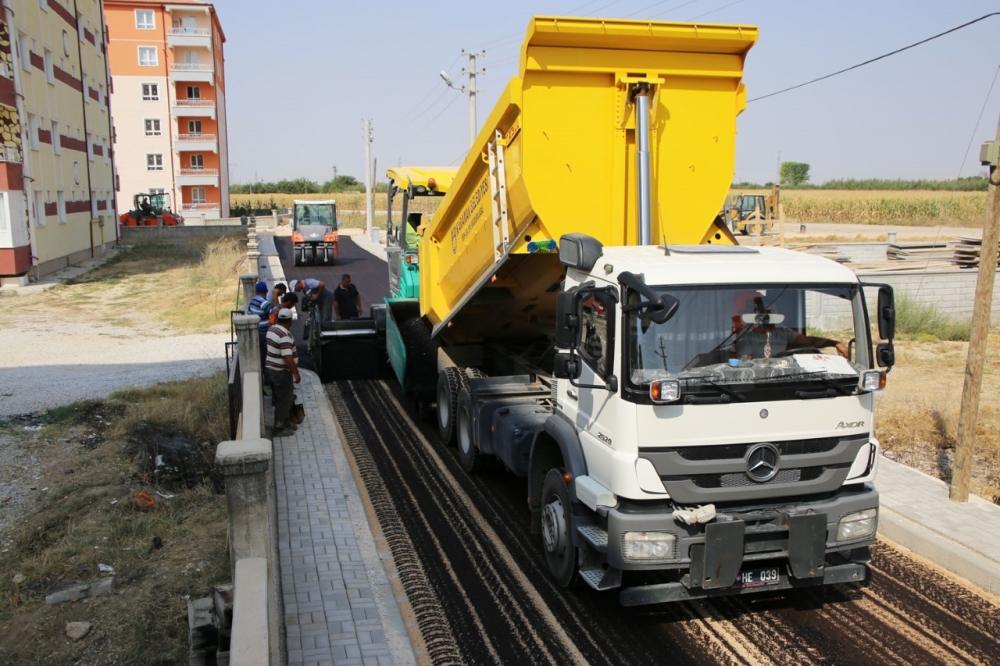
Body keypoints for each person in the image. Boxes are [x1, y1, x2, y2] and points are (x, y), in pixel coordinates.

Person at [733, 292, 848, 360]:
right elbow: (744, 364)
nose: (772, 313)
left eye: (774, 310)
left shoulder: (783, 332)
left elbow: (809, 342)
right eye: (768, 311)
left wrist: (834, 343)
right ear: (758, 313)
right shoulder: (747, 337)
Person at [265, 308, 301, 437]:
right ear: (290, 320)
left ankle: (285, 421)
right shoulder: (284, 335)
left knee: (286, 398)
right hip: (280, 373)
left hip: (271, 370)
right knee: (283, 400)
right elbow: (287, 357)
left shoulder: (272, 329)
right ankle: (279, 427)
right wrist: (295, 373)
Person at [246, 281, 273, 373]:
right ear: (266, 291)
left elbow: (249, 314)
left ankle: (262, 369)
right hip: (263, 332)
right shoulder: (263, 302)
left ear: (256, 291)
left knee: (260, 351)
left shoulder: (253, 301)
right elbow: (273, 312)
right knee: (265, 351)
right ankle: (265, 369)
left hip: (255, 330)